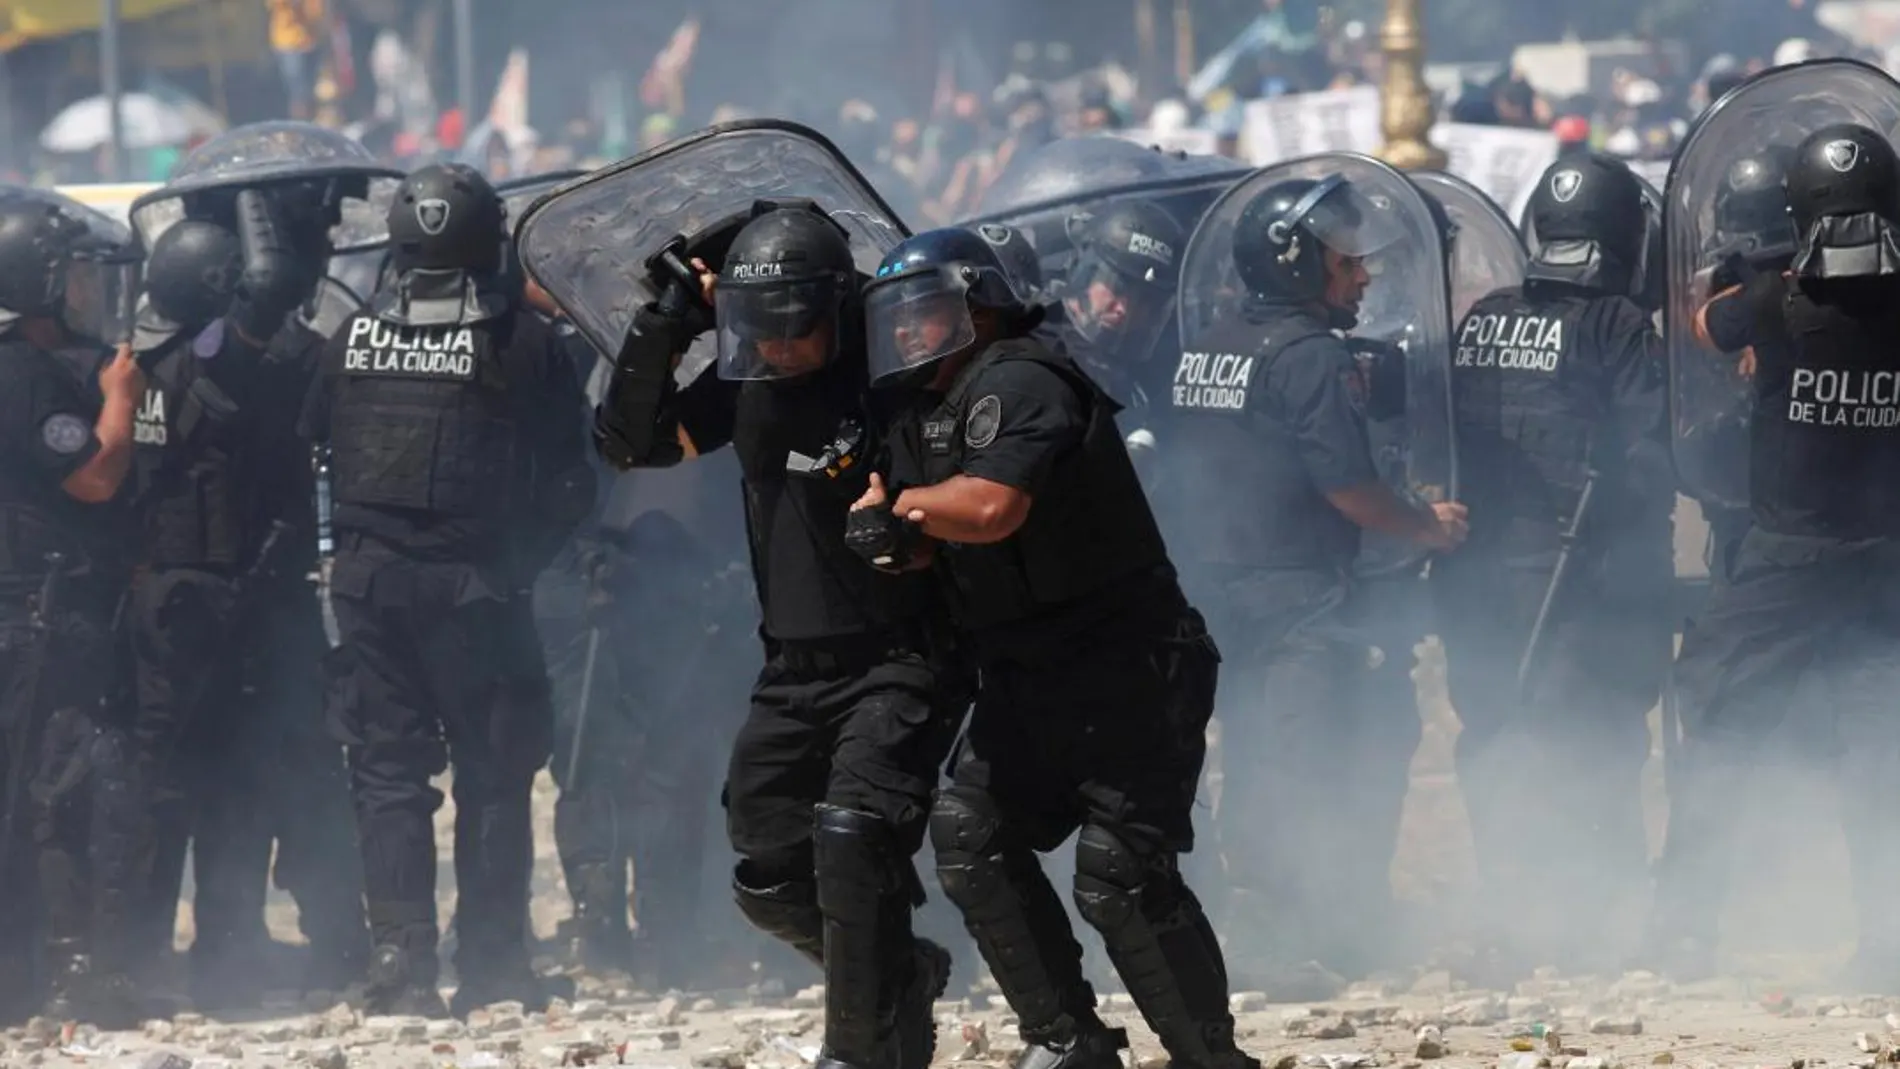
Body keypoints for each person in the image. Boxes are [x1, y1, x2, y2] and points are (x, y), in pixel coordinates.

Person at [849, 227, 1255, 1069]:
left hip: (1128, 664)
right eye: (899, 315)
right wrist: (884, 529)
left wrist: (908, 507)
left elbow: (992, 507)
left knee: (1119, 874)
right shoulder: (916, 408)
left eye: (927, 310)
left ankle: (1211, 1058)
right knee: (968, 830)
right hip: (1026, 672)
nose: (908, 330)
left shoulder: (1025, 376)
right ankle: (1067, 1040)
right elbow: (925, 529)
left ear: (980, 305)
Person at [591, 201, 963, 1069]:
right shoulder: (747, 377)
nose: (779, 348)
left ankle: (858, 1047)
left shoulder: (893, 372)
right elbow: (630, 441)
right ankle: (899, 970)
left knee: (852, 836)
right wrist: (667, 323)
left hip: (901, 652)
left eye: (794, 329)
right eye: (758, 329)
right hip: (792, 666)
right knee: (766, 866)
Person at [300, 163, 594, 1017]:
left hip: (366, 590)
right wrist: (518, 565)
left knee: (388, 775)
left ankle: (401, 967)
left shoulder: (349, 336)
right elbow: (571, 485)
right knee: (494, 777)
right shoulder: (521, 341)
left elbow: (315, 447)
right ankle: (497, 966)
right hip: (476, 595)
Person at [1165, 175, 1468, 994]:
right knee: (1304, 761)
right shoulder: (1309, 357)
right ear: (1298, 264)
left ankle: (1304, 928)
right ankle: (1279, 942)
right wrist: (1425, 521)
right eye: (1346, 262)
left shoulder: (1211, 343)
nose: (1362, 277)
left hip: (1221, 589)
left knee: (1257, 754)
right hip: (1300, 591)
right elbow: (1350, 490)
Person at [1646, 123, 1900, 989]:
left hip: (1786, 563)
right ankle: (1886, 945)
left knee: (1717, 728)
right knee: (1880, 758)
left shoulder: (1776, 303)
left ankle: (1685, 933)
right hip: (1886, 570)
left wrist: (1748, 276)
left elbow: (1699, 325)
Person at [1432, 154, 1675, 979]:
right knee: (1592, 743)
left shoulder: (1487, 316)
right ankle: (1591, 921)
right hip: (1579, 583)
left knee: (1495, 736)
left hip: (1477, 581)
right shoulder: (1614, 325)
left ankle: (1511, 909)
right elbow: (1649, 458)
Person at [0, 198, 145, 1024]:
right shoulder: (20, 372)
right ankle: (60, 967)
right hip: (33, 617)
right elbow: (93, 475)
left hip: (35, 608)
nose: (92, 292)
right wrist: (119, 397)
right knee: (58, 788)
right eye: (78, 277)